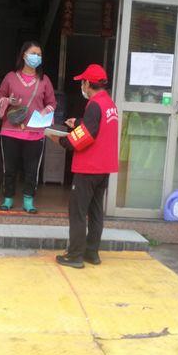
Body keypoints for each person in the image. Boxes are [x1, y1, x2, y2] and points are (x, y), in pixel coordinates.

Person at [47, 64, 118, 269]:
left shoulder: (94, 105)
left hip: (89, 167)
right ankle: (91, 253)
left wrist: (61, 141)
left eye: (83, 82)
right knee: (95, 211)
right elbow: (96, 127)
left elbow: (87, 135)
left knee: (77, 211)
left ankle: (75, 255)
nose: (82, 87)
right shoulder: (109, 103)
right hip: (103, 168)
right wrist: (78, 122)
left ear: (88, 83)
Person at [0, 41, 56, 214]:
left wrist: (45, 111)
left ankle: (28, 200)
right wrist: (7, 101)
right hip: (10, 130)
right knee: (9, 168)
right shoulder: (10, 77)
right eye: (33, 53)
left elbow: (52, 103)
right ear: (24, 55)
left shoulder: (44, 80)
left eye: (39, 54)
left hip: (35, 132)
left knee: (32, 170)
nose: (36, 57)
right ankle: (8, 198)